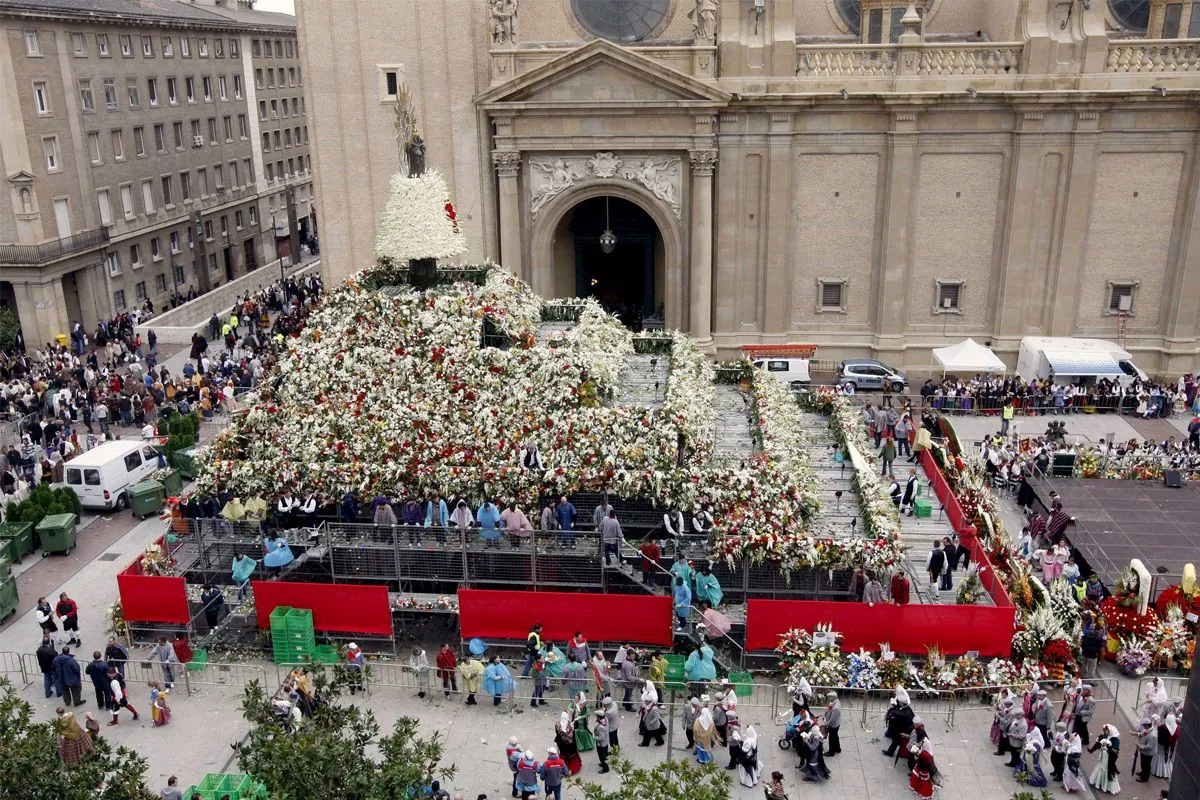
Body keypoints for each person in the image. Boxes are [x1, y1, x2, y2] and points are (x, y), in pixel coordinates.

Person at [1087, 724, 1120, 795]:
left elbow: (1116, 751)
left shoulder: (1115, 740)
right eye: (1104, 731)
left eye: (1106, 731)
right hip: (1103, 755)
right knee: (1101, 766)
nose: (1105, 732)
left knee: (1107, 769)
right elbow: (1100, 739)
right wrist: (1098, 741)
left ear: (1110, 731)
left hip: (1109, 758)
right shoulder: (1105, 736)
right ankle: (1099, 782)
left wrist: (1108, 748)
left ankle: (1107, 786)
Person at [882, 690, 914, 757]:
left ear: (901, 703)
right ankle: (891, 752)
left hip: (903, 730)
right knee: (896, 741)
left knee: (896, 741)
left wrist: (891, 709)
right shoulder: (907, 708)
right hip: (903, 729)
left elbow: (894, 714)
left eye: (899, 702)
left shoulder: (903, 713)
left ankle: (890, 752)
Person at [1153, 712, 1179, 780]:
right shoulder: (1176, 729)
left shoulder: (1162, 727)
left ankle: (1158, 771)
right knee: (1167, 758)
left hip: (1161, 746)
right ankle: (1166, 772)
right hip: (1169, 747)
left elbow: (1158, 736)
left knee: (1159, 757)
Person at [1135, 718, 1156, 782]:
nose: (1143, 727)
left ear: (1147, 725)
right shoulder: (1147, 730)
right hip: (1143, 751)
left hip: (1148, 753)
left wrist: (1140, 746)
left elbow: (1150, 746)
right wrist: (1137, 734)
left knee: (1146, 765)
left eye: (1144, 725)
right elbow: (1143, 733)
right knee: (1143, 763)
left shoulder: (1153, 735)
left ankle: (1145, 778)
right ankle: (1143, 772)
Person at [824, 691, 842, 756]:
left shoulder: (835, 708)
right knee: (835, 737)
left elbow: (832, 720)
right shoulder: (835, 701)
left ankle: (831, 752)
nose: (828, 698)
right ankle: (837, 748)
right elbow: (829, 708)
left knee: (831, 738)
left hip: (833, 726)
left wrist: (825, 724)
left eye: (829, 697)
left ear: (832, 697)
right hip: (836, 724)